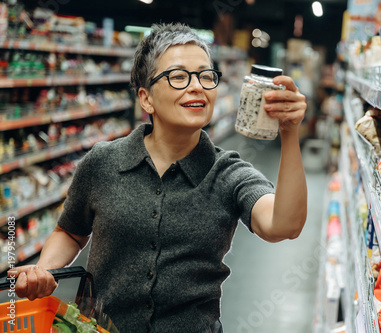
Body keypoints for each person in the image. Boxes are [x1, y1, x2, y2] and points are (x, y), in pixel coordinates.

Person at [9, 22, 307, 333]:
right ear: (146, 98)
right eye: (178, 76)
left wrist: (289, 134)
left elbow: (283, 224)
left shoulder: (228, 173)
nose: (198, 87)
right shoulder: (103, 162)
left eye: (206, 76)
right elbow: (70, 232)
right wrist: (44, 271)